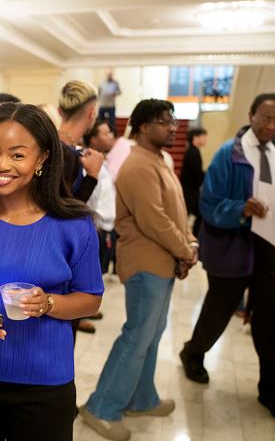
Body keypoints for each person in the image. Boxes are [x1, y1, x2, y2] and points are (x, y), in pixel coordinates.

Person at [0, 102, 104, 441]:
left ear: (42, 160)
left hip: (45, 383)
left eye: (17, 155)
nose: (0, 165)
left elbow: (90, 299)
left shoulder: (73, 225)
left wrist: (48, 304)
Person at [80, 99, 198, 441]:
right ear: (143, 126)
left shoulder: (158, 159)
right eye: (164, 121)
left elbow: (176, 210)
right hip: (146, 264)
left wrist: (189, 243)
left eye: (174, 121)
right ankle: (100, 406)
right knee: (137, 336)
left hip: (164, 259)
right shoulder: (136, 166)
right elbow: (154, 221)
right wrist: (184, 248)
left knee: (152, 333)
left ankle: (141, 397)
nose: (172, 127)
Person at [180, 93, 275, 417]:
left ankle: (269, 388)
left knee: (269, 321)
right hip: (233, 245)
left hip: (268, 251)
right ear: (251, 115)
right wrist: (241, 208)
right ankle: (193, 353)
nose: (270, 125)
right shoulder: (228, 155)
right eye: (265, 118)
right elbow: (208, 204)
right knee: (217, 312)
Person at [58, 80, 104, 333]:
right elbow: (64, 208)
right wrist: (93, 177)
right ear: (91, 112)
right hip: (60, 247)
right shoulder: (65, 153)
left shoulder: (56, 145)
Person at [84, 120, 117, 276]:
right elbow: (88, 198)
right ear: (93, 139)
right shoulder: (86, 162)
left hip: (107, 228)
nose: (111, 137)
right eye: (105, 134)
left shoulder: (104, 162)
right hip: (96, 228)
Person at [180, 127, 208, 237]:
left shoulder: (193, 151)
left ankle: (193, 236)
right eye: (204, 136)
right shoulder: (193, 152)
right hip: (190, 191)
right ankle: (193, 236)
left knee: (196, 215)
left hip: (191, 190)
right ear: (196, 137)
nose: (205, 139)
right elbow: (195, 174)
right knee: (194, 215)